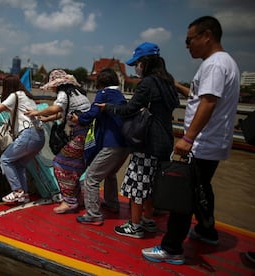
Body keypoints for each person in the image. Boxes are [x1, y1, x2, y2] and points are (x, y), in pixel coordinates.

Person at [142, 16, 240, 264]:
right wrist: (175, 85)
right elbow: (200, 96)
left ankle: (172, 248)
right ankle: (207, 231)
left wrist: (188, 138)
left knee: (181, 196)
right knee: (201, 188)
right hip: (213, 142)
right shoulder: (224, 62)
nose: (187, 46)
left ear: (206, 36)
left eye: (189, 40)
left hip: (202, 142)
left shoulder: (215, 65)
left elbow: (208, 103)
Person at [98, 42, 179, 238]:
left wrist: (107, 108)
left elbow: (129, 109)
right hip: (165, 141)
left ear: (146, 62)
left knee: (138, 184)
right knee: (151, 184)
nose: (137, 67)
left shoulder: (149, 83)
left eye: (138, 63)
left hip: (148, 142)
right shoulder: (168, 82)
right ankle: (148, 221)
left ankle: (134, 226)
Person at [25, 69, 91, 214]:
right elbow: (63, 113)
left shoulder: (63, 93)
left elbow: (57, 108)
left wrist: (37, 112)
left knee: (60, 163)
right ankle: (77, 198)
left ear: (57, 84)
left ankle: (69, 202)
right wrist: (47, 119)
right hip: (89, 135)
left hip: (80, 135)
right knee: (77, 166)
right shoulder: (77, 93)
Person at [71, 68, 129, 225]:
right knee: (110, 173)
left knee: (91, 177)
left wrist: (79, 119)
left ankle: (93, 214)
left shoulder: (104, 94)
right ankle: (112, 203)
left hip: (112, 144)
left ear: (101, 83)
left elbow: (93, 113)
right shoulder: (119, 95)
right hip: (124, 144)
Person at [0, 75, 45, 204]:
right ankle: (24, 194)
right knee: (19, 164)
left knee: (5, 160)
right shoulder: (28, 97)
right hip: (39, 137)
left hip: (28, 134)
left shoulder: (15, 95)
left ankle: (17, 191)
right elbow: (10, 107)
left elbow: (0, 109)